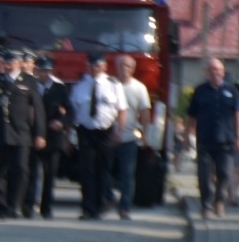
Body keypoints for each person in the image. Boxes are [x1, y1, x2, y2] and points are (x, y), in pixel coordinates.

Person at [0, 50, 45, 219]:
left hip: (21, 133)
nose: (8, 64)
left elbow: (38, 109)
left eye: (12, 61)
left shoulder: (29, 81)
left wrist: (40, 133)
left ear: (20, 63)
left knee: (20, 169)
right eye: (6, 61)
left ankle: (15, 205)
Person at [69, 54, 126, 220]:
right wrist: (69, 132)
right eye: (91, 66)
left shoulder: (113, 85)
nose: (94, 69)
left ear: (104, 67)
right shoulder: (80, 85)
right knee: (86, 171)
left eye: (97, 66)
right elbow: (73, 109)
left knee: (103, 170)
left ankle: (100, 205)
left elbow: (122, 110)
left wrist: (119, 131)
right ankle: (88, 208)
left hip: (105, 132)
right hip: (85, 131)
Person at [189, 57, 237, 218]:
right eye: (211, 70)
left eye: (217, 70)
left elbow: (237, 115)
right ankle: (207, 206)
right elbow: (192, 115)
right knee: (204, 175)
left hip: (226, 140)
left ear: (223, 72)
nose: (214, 72)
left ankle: (220, 201)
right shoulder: (200, 91)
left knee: (225, 174)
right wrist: (188, 135)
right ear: (206, 73)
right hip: (205, 140)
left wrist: (238, 136)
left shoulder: (232, 91)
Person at [110, 54, 152, 220]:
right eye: (121, 66)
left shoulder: (139, 88)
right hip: (108, 136)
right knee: (104, 171)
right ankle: (108, 197)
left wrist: (145, 135)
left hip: (129, 138)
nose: (124, 69)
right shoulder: (110, 84)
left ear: (133, 69)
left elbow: (145, 112)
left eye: (128, 66)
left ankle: (125, 207)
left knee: (127, 174)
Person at [29, 56, 70, 219]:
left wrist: (61, 122)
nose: (43, 74)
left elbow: (69, 111)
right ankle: (29, 205)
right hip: (33, 135)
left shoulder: (59, 88)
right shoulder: (30, 85)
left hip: (53, 137)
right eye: (41, 70)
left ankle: (46, 208)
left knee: (49, 174)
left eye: (47, 71)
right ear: (36, 70)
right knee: (32, 173)